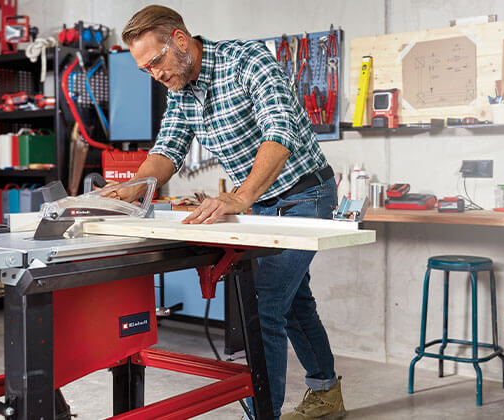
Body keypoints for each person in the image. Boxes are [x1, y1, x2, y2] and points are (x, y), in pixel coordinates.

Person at [118, 5, 345, 420]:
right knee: (294, 302)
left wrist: (240, 198)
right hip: (263, 204)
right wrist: (127, 191)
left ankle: (261, 414)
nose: (155, 74)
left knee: (264, 304)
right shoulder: (180, 91)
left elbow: (280, 133)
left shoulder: (247, 61)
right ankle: (326, 392)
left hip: (305, 196)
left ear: (180, 41)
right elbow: (166, 151)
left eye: (156, 62)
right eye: (144, 70)